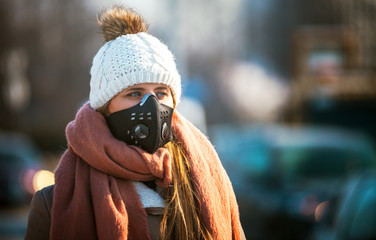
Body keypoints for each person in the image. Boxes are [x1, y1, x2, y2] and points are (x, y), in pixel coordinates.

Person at [25, 5, 245, 240]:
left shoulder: (206, 184)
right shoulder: (54, 204)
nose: (151, 105)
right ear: (105, 107)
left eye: (161, 93)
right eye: (134, 93)